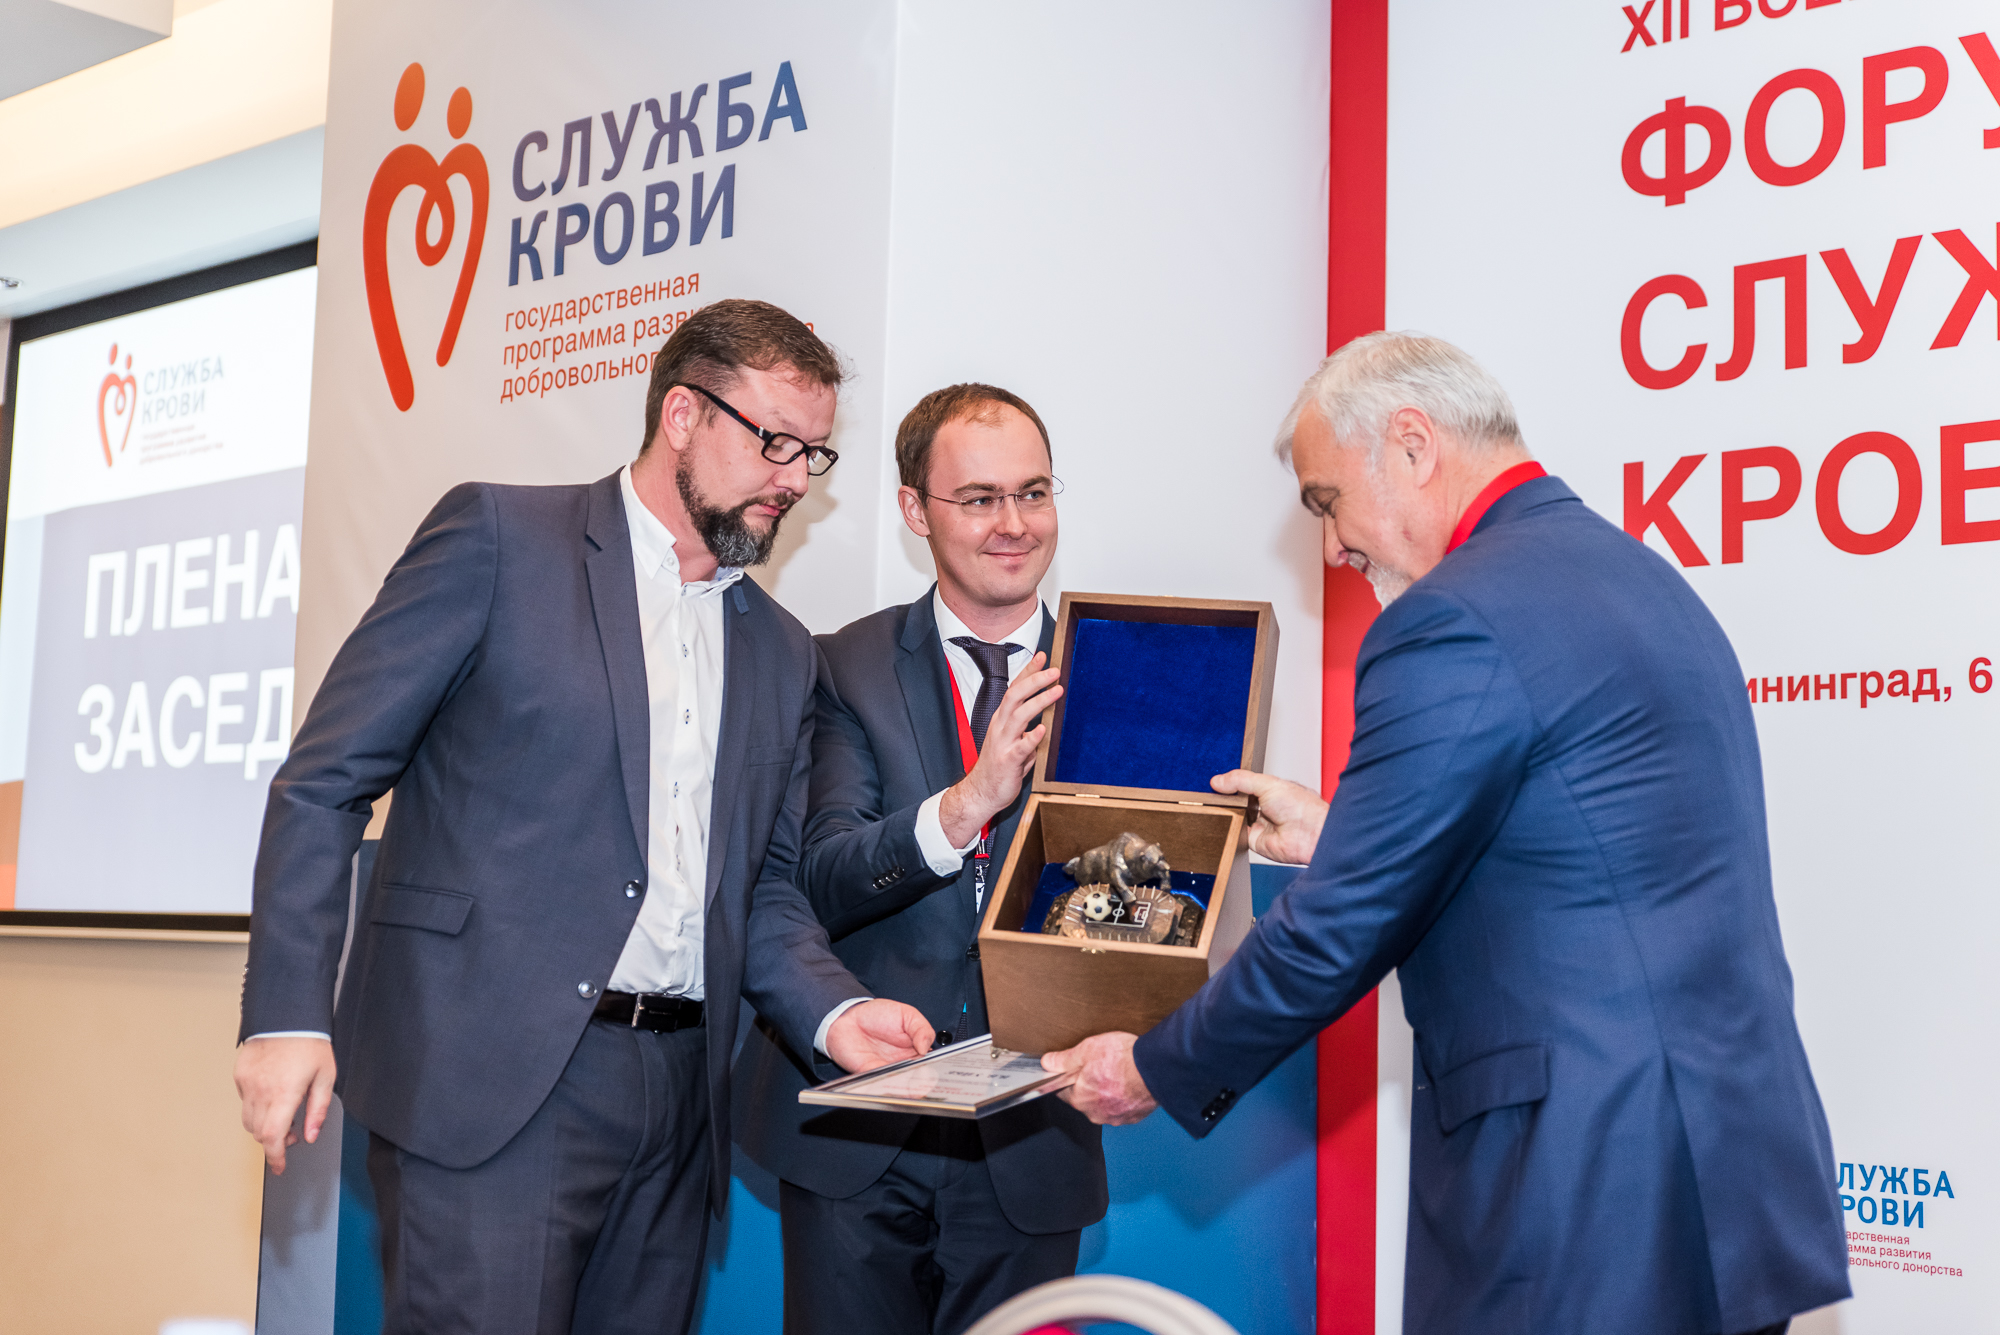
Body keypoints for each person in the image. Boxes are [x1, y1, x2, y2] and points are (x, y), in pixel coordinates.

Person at [1046, 332, 1851, 1335]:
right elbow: (1587, 850)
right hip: (1724, 1166)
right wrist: (1343, 834)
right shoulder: (1641, 579)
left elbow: (1334, 933)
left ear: (1413, 444)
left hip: (1584, 1183)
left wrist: (1152, 1066)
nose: (1332, 548)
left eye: (1326, 501)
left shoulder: (1451, 617)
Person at [233, 299, 933, 1335]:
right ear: (683, 416)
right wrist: (287, 1014)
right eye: (774, 442)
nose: (793, 478)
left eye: (813, 454)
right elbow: (324, 780)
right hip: (491, 1083)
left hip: (679, 1100)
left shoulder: (782, 649)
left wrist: (833, 1013)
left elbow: (762, 888)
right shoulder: (499, 539)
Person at [735, 384, 1107, 1335]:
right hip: (861, 1134)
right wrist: (968, 802)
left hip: (1034, 1131)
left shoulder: (1118, 671)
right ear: (915, 509)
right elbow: (819, 877)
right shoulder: (840, 665)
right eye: (979, 498)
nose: (1013, 523)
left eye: (1033, 492)